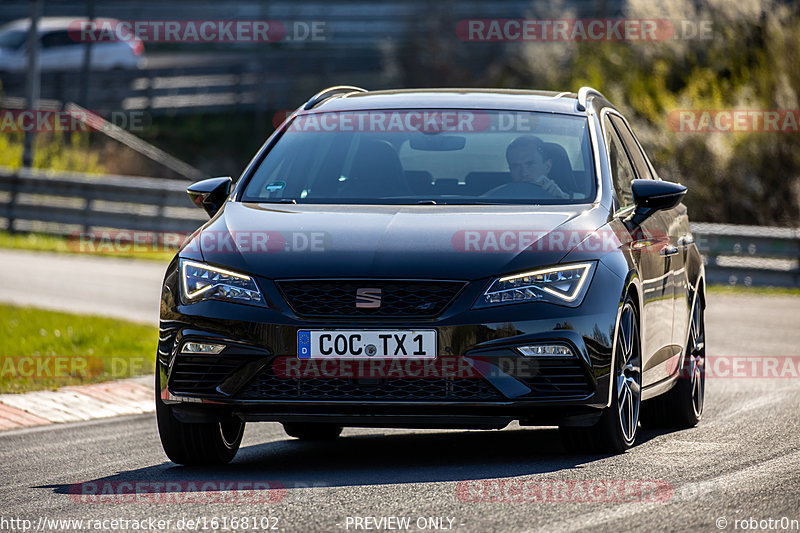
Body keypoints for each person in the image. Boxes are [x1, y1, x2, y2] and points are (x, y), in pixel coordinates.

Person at [483, 135, 570, 199]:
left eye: (530, 164)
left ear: (547, 166)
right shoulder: (496, 199)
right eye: (516, 166)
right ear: (510, 170)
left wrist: (563, 200)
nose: (524, 172)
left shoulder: (579, 202)